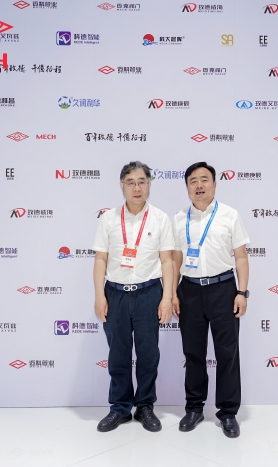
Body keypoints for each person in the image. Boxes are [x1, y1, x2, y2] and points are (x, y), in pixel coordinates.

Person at [92, 161, 175, 432]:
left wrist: (166, 298)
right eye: (131, 182)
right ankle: (120, 407)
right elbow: (100, 259)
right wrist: (99, 296)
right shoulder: (109, 218)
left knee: (148, 354)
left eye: (142, 182)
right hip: (115, 294)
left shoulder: (160, 218)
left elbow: (167, 261)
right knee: (118, 354)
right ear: (122, 185)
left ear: (149, 184)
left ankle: (145, 406)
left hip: (149, 294)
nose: (137, 187)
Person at [171, 162, 250, 438]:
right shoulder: (179, 219)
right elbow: (176, 259)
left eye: (204, 179)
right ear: (187, 187)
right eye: (193, 181)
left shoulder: (230, 215)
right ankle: (194, 408)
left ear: (215, 184)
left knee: (227, 353)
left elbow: (241, 257)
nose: (199, 185)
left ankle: (227, 413)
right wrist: (172, 293)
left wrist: (242, 292)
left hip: (223, 289)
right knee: (193, 354)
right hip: (189, 291)